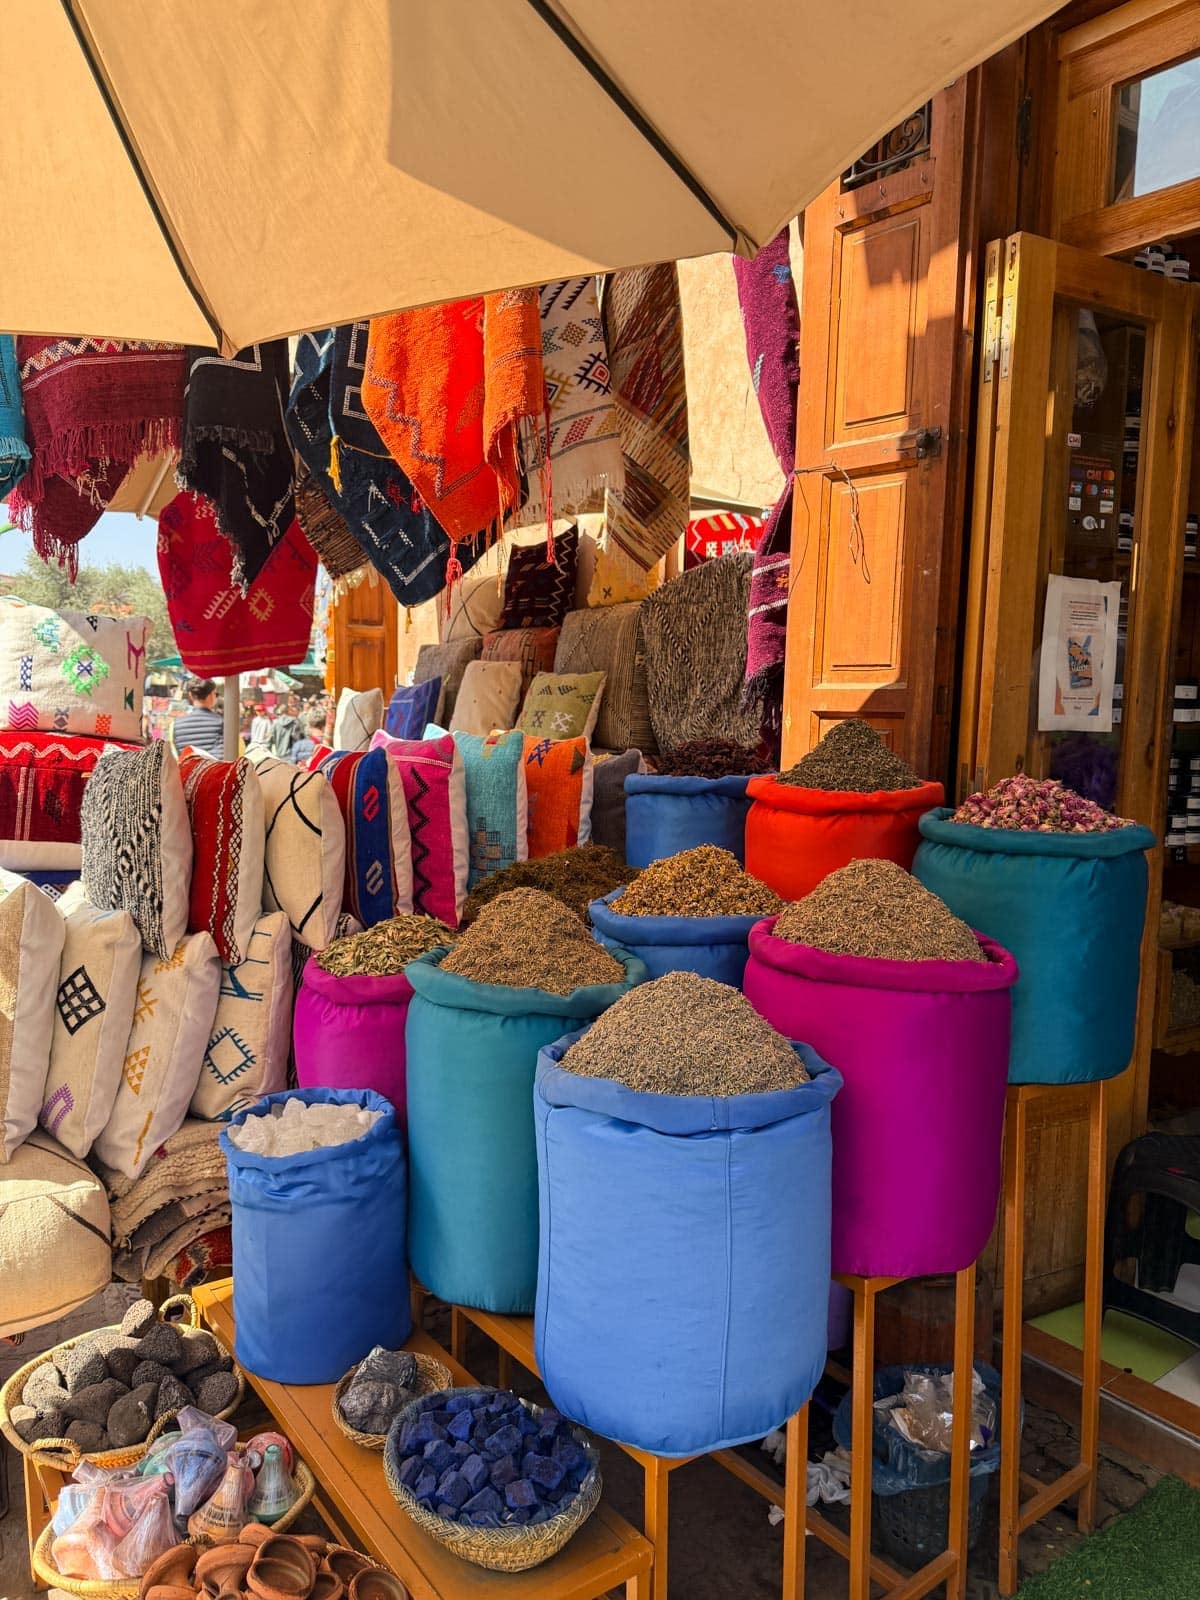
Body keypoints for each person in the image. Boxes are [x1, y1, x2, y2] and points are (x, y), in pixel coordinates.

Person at [172, 679, 225, 757]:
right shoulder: (221, 722)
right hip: (215, 768)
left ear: (190, 695)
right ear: (212, 695)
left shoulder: (176, 724)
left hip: (188, 768)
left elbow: (175, 753)